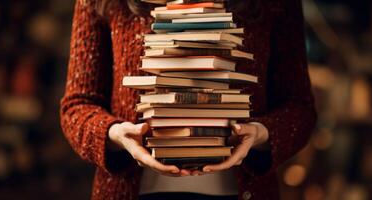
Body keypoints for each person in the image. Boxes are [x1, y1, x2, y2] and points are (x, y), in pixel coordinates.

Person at [60, 0, 317, 199]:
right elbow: (77, 105)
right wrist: (115, 134)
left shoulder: (277, 4)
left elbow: (299, 107)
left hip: (244, 192)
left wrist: (260, 134)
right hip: (130, 192)